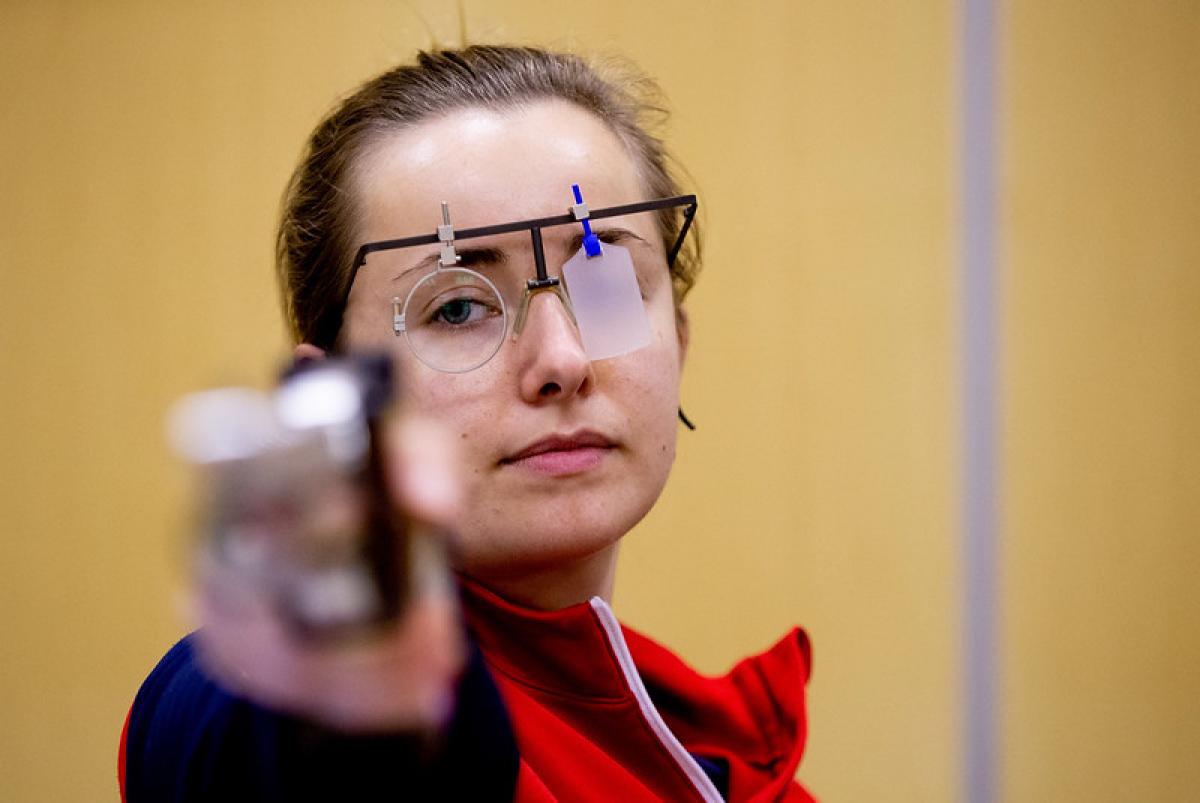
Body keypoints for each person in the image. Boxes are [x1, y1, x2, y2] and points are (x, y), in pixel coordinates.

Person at [120, 45, 815, 802]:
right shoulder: (278, 704)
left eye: (602, 278)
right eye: (456, 306)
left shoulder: (724, 754)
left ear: (678, 339)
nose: (563, 357)